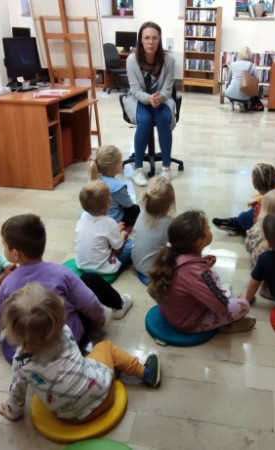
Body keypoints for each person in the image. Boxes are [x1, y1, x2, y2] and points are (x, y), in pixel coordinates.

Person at [0, 214, 132, 359]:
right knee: (90, 280)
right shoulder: (61, 273)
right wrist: (99, 320)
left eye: (4, 245)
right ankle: (120, 303)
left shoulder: (8, 283)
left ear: (15, 254)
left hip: (28, 350)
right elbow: (89, 302)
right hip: (67, 343)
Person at [0, 283, 161, 423]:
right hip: (105, 393)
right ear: (59, 317)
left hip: (71, 417)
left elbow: (17, 393)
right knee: (104, 347)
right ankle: (145, 373)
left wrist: (12, 413)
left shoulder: (20, 363)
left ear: (13, 332)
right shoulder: (64, 331)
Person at [147, 210, 255, 333]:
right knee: (243, 305)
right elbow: (220, 306)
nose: (210, 228)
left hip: (171, 312)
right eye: (208, 227)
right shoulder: (198, 273)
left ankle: (222, 293)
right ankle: (225, 323)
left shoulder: (172, 254)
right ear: (200, 242)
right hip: (187, 323)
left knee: (213, 276)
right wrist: (226, 296)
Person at [122, 22, 177, 186]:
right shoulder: (132, 60)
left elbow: (168, 89)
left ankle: (166, 167)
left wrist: (160, 97)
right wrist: (148, 98)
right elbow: (135, 90)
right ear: (140, 40)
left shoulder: (169, 60)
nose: (150, 42)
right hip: (138, 99)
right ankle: (138, 169)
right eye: (146, 38)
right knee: (145, 120)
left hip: (162, 100)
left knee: (162, 118)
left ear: (159, 40)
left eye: (154, 38)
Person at [76, 180, 132, 275]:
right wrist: (122, 235)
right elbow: (118, 249)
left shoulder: (83, 217)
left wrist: (115, 231)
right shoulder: (110, 223)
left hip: (81, 264)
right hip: (102, 268)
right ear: (107, 205)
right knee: (131, 244)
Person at [212, 163, 275, 236]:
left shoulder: (260, 205)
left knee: (243, 217)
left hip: (265, 227)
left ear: (254, 184)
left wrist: (256, 202)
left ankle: (234, 225)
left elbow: (258, 224)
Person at [130, 176, 175, 285]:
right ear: (171, 202)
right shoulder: (170, 223)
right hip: (153, 272)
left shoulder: (142, 213)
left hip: (136, 263)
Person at [89, 145, 139, 228]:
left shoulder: (92, 179)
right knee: (135, 210)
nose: (122, 163)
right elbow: (129, 205)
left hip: (93, 219)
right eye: (120, 161)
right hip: (112, 222)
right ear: (112, 166)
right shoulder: (117, 187)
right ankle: (125, 230)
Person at [224, 47, 264, 111]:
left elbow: (229, 79)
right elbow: (255, 81)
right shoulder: (252, 65)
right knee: (249, 87)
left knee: (228, 84)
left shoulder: (233, 64)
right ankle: (242, 103)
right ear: (250, 55)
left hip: (230, 94)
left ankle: (231, 103)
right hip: (245, 97)